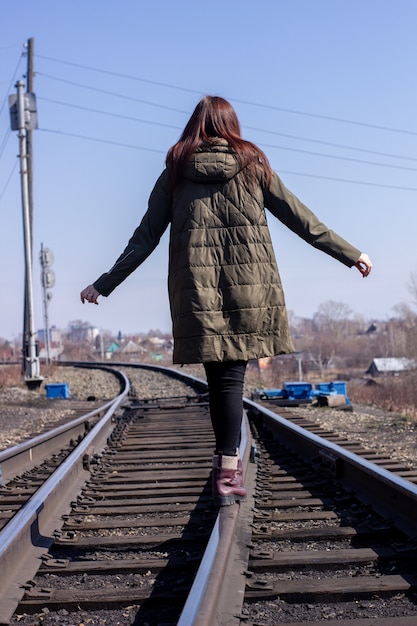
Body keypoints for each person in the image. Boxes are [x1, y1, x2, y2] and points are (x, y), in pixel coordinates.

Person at [81, 96, 372, 507]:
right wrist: (351, 253)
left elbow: (144, 237)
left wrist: (103, 284)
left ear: (194, 126)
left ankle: (226, 470)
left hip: (197, 291)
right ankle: (228, 467)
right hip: (250, 289)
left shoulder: (176, 172)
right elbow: (302, 219)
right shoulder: (254, 164)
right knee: (233, 379)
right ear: (231, 125)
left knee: (219, 380)